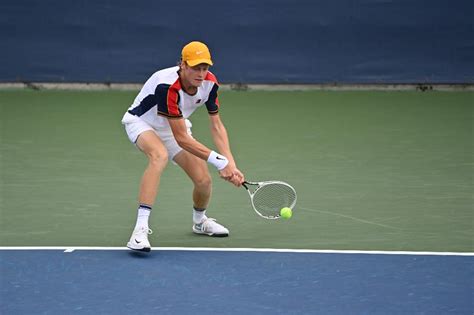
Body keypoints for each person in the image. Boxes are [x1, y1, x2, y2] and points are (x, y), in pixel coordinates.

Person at [121, 41, 245, 252]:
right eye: (196, 67)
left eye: (205, 68)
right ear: (183, 65)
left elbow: (216, 125)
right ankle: (139, 230)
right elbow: (182, 139)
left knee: (203, 180)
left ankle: (199, 222)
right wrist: (219, 161)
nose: (201, 73)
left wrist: (230, 162)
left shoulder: (210, 84)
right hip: (142, 123)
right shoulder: (166, 85)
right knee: (159, 156)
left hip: (173, 125)